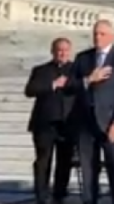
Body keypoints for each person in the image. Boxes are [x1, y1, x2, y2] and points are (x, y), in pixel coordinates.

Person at [69, 20, 114, 204]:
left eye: (102, 34)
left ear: (112, 36)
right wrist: (88, 79)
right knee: (88, 170)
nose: (98, 37)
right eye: (95, 33)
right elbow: (69, 86)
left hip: (111, 122)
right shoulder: (83, 58)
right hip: (86, 123)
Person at [25, 37, 76, 204]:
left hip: (67, 124)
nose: (62, 53)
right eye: (59, 50)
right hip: (44, 124)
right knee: (42, 161)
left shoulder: (76, 70)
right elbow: (30, 90)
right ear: (52, 51)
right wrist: (52, 85)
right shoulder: (41, 70)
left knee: (64, 161)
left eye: (65, 50)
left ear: (70, 51)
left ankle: (59, 194)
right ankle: (41, 195)